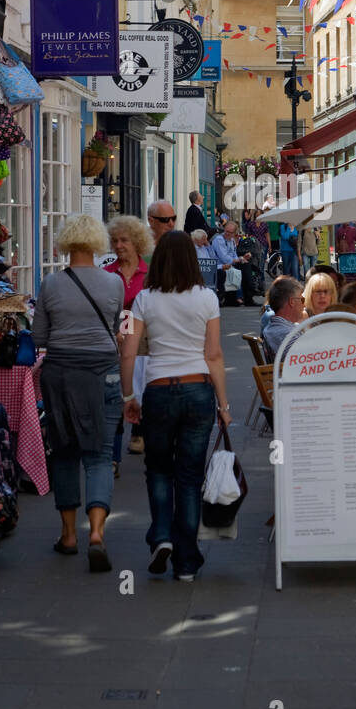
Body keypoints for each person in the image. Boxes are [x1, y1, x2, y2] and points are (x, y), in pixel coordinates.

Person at [120, 230, 230, 583]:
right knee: (189, 475)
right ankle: (187, 560)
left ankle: (162, 535)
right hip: (198, 390)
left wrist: (127, 397)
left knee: (159, 469)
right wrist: (224, 404)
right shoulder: (207, 298)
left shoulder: (143, 300)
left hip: (159, 390)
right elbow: (213, 355)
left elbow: (128, 351)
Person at [33, 215, 124, 572]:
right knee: (100, 454)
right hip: (104, 372)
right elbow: (115, 329)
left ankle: (69, 534)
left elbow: (39, 337)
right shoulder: (114, 283)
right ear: (97, 242)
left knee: (66, 451)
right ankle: (97, 533)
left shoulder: (51, 284)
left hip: (62, 374)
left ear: (65, 242)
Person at [104, 216, 151, 465]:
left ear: (137, 242)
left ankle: (139, 431)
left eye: (124, 240)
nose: (119, 245)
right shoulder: (106, 274)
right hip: (113, 340)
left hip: (143, 341)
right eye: (114, 241)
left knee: (141, 387)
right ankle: (113, 455)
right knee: (115, 391)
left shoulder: (149, 273)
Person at [211, 218, 253, 306]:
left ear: (234, 233)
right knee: (242, 267)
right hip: (221, 265)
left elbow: (234, 255)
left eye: (230, 232)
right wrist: (238, 260)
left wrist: (242, 258)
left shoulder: (232, 241)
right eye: (226, 231)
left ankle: (248, 298)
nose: (227, 233)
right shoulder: (219, 239)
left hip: (230, 264)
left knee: (246, 265)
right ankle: (239, 297)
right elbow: (224, 258)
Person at [262, 277, 304, 361]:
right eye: (302, 299)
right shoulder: (286, 334)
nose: (304, 305)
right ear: (292, 302)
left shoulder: (275, 327)